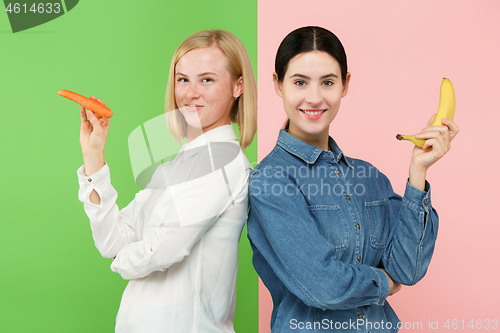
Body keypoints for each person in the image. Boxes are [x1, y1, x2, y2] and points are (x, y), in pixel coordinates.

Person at [247, 26, 459, 332]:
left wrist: (418, 175)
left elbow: (408, 270)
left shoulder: (369, 177)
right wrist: (383, 283)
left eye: (328, 82)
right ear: (278, 84)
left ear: (345, 84)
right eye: (300, 82)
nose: (315, 97)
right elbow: (323, 286)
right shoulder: (270, 181)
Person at [76, 29, 257, 332]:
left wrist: (120, 262)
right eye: (183, 79)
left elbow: (165, 248)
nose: (190, 92)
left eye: (207, 79)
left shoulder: (225, 162)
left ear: (238, 86)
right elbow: (112, 239)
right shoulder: (172, 167)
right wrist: (94, 156)